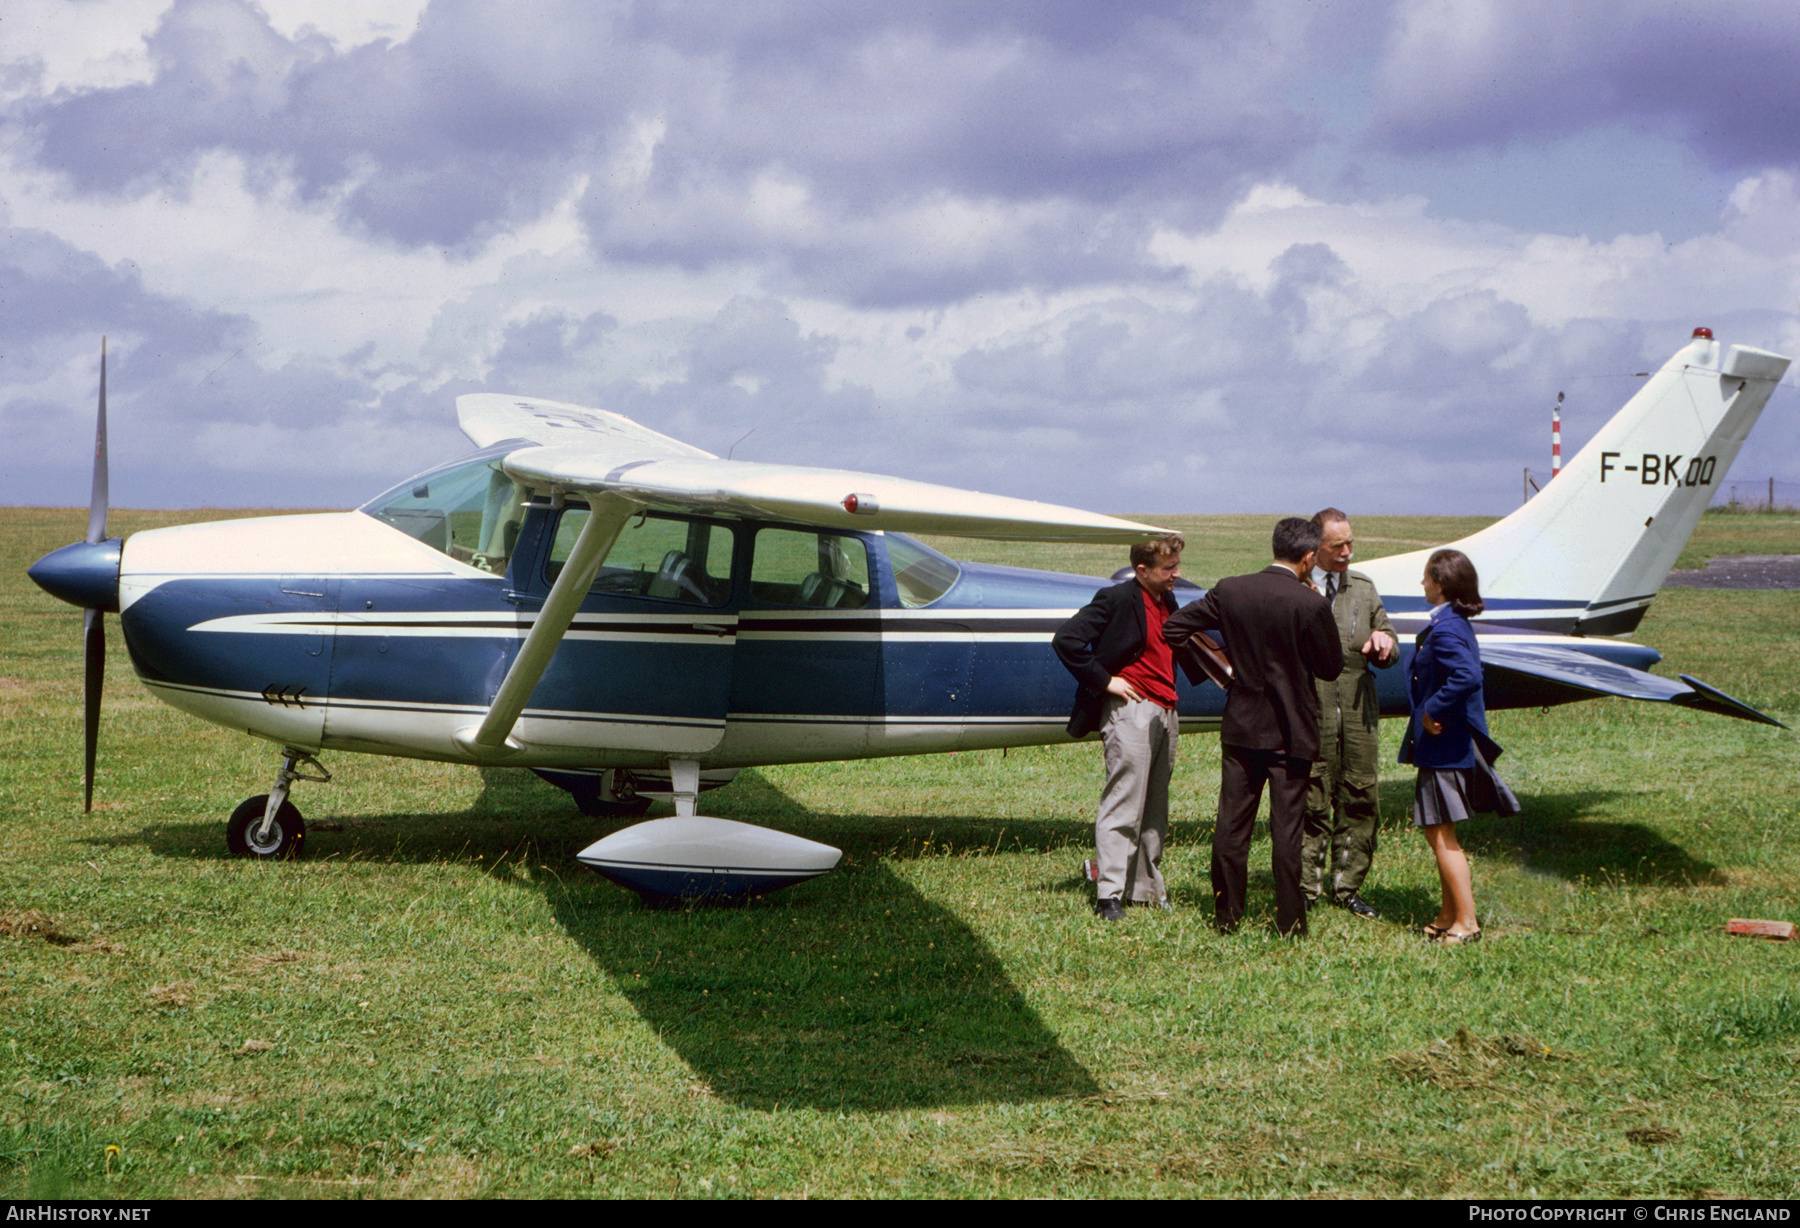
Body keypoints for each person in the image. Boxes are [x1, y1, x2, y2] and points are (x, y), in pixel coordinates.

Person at [1164, 518, 1342, 936]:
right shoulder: (1310, 604)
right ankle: (1290, 922)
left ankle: (1226, 916)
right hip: (1291, 731)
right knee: (1286, 831)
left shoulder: (1231, 589)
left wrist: (1220, 667)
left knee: (1231, 827)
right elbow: (1330, 669)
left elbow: (1176, 628)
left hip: (1241, 725)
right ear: (1309, 557)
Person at [1053, 534, 1202, 921]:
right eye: (1169, 569)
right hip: (1132, 710)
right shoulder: (1117, 599)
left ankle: (1146, 889)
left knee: (1155, 804)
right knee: (1124, 800)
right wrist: (1106, 682)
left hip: (1165, 709)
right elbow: (1066, 640)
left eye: (1177, 566)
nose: (1177, 575)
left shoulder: (1164, 598)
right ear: (1142, 570)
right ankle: (1109, 896)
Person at [1401, 549, 1520, 945]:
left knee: (1441, 836)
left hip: (1446, 744)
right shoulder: (1453, 623)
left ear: (1441, 584)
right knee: (1438, 832)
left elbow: (1468, 675)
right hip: (1446, 745)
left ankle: (1467, 923)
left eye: (1426, 578)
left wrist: (1432, 709)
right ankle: (1448, 913)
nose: (1422, 584)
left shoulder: (1448, 628)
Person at [1303, 509, 1399, 919]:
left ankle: (1347, 887)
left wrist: (1385, 643)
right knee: (1311, 794)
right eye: (1336, 546)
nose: (1346, 553)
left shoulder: (1363, 588)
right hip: (1312, 703)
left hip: (1359, 708)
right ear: (1315, 548)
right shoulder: (1296, 587)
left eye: (1350, 544)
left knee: (1360, 794)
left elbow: (1391, 643)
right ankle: (1305, 887)